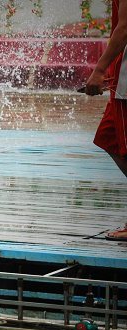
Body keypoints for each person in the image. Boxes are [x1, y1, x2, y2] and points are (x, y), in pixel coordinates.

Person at [85, 0, 127, 240]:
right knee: (108, 137)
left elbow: (124, 27)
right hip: (120, 75)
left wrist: (99, 70)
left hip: (125, 77)